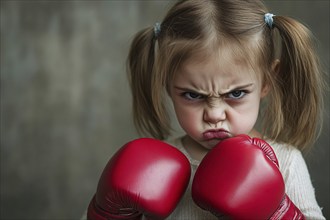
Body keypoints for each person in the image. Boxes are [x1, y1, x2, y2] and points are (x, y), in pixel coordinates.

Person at [86, 0, 326, 219]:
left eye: (236, 94)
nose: (214, 114)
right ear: (167, 84)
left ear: (267, 82)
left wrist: (278, 212)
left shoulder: (284, 161)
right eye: (192, 95)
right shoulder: (149, 168)